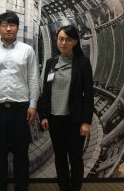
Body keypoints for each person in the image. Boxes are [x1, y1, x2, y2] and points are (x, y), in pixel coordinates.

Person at [0, 11, 40, 191]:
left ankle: (21, 186)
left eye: (12, 25)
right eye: (4, 25)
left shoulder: (27, 50)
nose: (8, 28)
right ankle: (1, 186)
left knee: (21, 151)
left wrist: (33, 105)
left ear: (17, 28)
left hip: (21, 108)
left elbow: (33, 78)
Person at [39, 25, 94, 191]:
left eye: (68, 39)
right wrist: (44, 115)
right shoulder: (51, 63)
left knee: (75, 158)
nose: (63, 43)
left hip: (75, 120)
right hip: (55, 119)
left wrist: (86, 122)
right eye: (60, 39)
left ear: (75, 42)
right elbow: (46, 92)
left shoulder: (82, 63)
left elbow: (89, 95)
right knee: (60, 157)